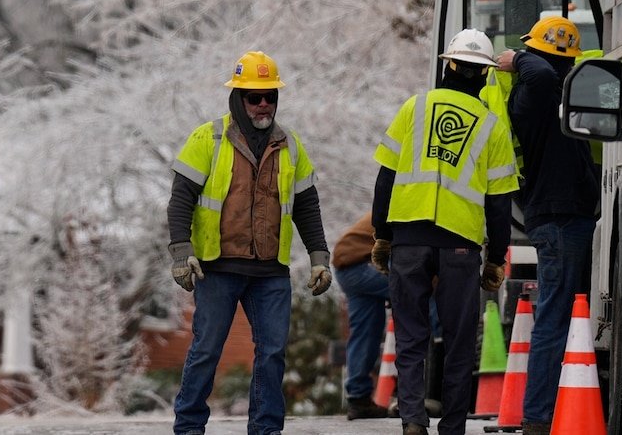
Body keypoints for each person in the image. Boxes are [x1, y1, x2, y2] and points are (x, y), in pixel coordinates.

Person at [167, 50, 332, 435]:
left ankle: (265, 429)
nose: (263, 104)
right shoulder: (207, 138)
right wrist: (181, 252)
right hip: (218, 267)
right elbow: (180, 200)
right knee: (206, 351)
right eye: (253, 96)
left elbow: (307, 205)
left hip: (270, 271)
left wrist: (320, 257)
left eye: (270, 95)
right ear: (236, 99)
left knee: (273, 353)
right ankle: (188, 427)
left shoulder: (290, 145)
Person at [371, 29, 520, 435]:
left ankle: (414, 419)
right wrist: (495, 258)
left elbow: (385, 179)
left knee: (410, 334)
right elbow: (499, 203)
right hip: (459, 245)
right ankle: (452, 426)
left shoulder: (413, 108)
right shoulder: (493, 127)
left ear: (447, 65)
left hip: (409, 240)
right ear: (485, 76)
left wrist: (382, 235)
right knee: (457, 340)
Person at [493, 16, 598, 435]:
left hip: (561, 217)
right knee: (555, 317)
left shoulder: (554, 93)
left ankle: (546, 411)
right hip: (558, 220)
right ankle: (538, 417)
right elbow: (536, 72)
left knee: (562, 314)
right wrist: (519, 58)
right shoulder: (533, 91)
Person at [333, 213, 392, 419]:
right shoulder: (407, 211)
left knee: (365, 332)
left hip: (347, 266)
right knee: (416, 293)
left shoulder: (389, 205)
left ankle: (359, 399)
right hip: (360, 264)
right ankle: (418, 391)